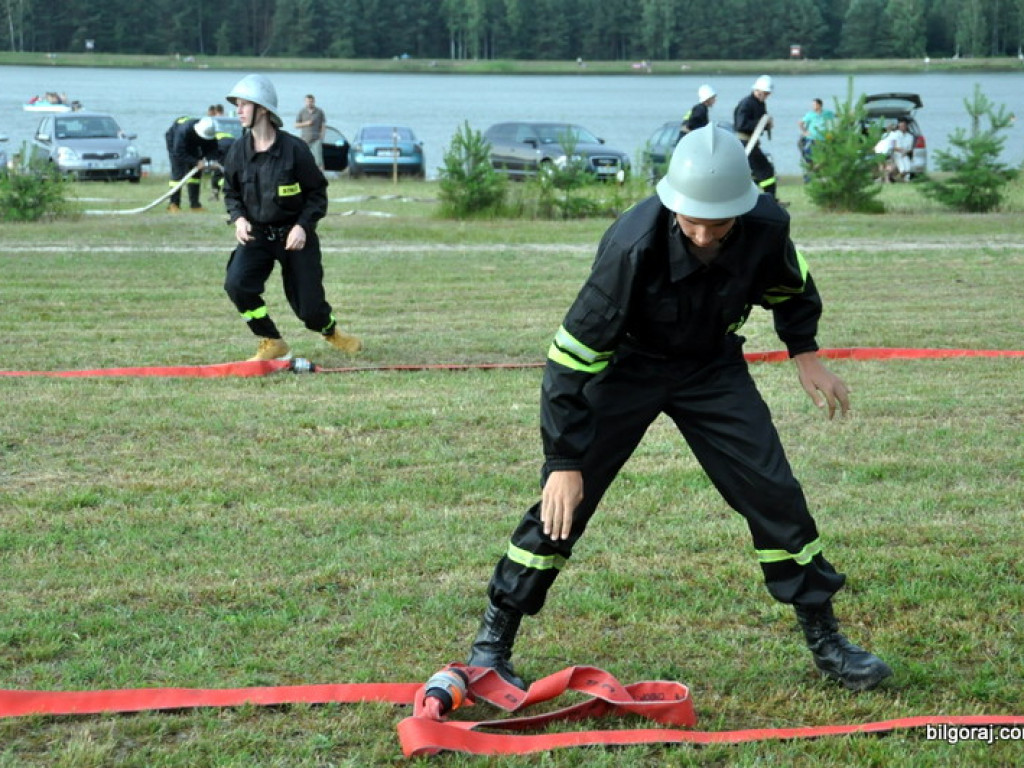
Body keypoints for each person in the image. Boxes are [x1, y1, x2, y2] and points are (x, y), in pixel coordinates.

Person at [465, 125, 892, 694]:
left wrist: (805, 353)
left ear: (743, 208)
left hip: (711, 368)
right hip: (627, 368)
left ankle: (827, 640)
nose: (704, 234)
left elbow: (791, 288)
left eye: (719, 223)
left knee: (775, 493)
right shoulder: (631, 247)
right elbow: (568, 359)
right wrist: (563, 461)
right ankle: (492, 643)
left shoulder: (767, 226)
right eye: (692, 221)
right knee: (564, 504)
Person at [221, 74, 361, 362]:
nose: (238, 111)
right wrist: (239, 219)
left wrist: (302, 227)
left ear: (262, 109)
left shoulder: (295, 150)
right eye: (237, 105)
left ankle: (330, 330)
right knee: (237, 285)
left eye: (244, 104)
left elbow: (317, 194)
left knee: (310, 309)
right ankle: (272, 341)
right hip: (257, 235)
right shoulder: (237, 151)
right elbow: (231, 192)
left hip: (295, 236)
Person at [734, 74, 778, 199]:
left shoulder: (760, 104)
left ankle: (765, 197)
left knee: (760, 171)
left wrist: (767, 125)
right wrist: (762, 123)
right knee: (765, 170)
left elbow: (759, 123)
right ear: (758, 90)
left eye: (768, 94)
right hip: (745, 143)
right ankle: (770, 198)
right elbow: (741, 125)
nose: (767, 96)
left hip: (751, 143)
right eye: (766, 93)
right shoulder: (747, 104)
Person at [165, 116, 220, 212]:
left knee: (195, 175)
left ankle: (195, 205)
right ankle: (174, 204)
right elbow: (179, 152)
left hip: (192, 144)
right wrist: (196, 162)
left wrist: (210, 161)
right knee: (178, 173)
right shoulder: (183, 131)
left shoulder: (209, 132)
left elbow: (213, 150)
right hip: (174, 142)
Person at [798, 97, 835, 178]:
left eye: (814, 105)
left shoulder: (826, 113)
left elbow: (836, 115)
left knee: (824, 158)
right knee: (807, 155)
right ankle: (810, 173)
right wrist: (805, 132)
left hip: (822, 139)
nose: (813, 106)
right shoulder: (810, 114)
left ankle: (814, 172)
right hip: (811, 138)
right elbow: (800, 123)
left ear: (819, 105)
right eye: (812, 105)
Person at [295, 93, 327, 171]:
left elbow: (323, 125)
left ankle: (321, 175)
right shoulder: (302, 112)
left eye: (311, 101)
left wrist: (322, 136)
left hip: (316, 139)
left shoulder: (319, 112)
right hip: (305, 140)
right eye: (308, 102)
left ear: (314, 101)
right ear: (305, 102)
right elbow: (296, 125)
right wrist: (306, 123)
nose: (309, 103)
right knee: (303, 159)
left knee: (319, 160)